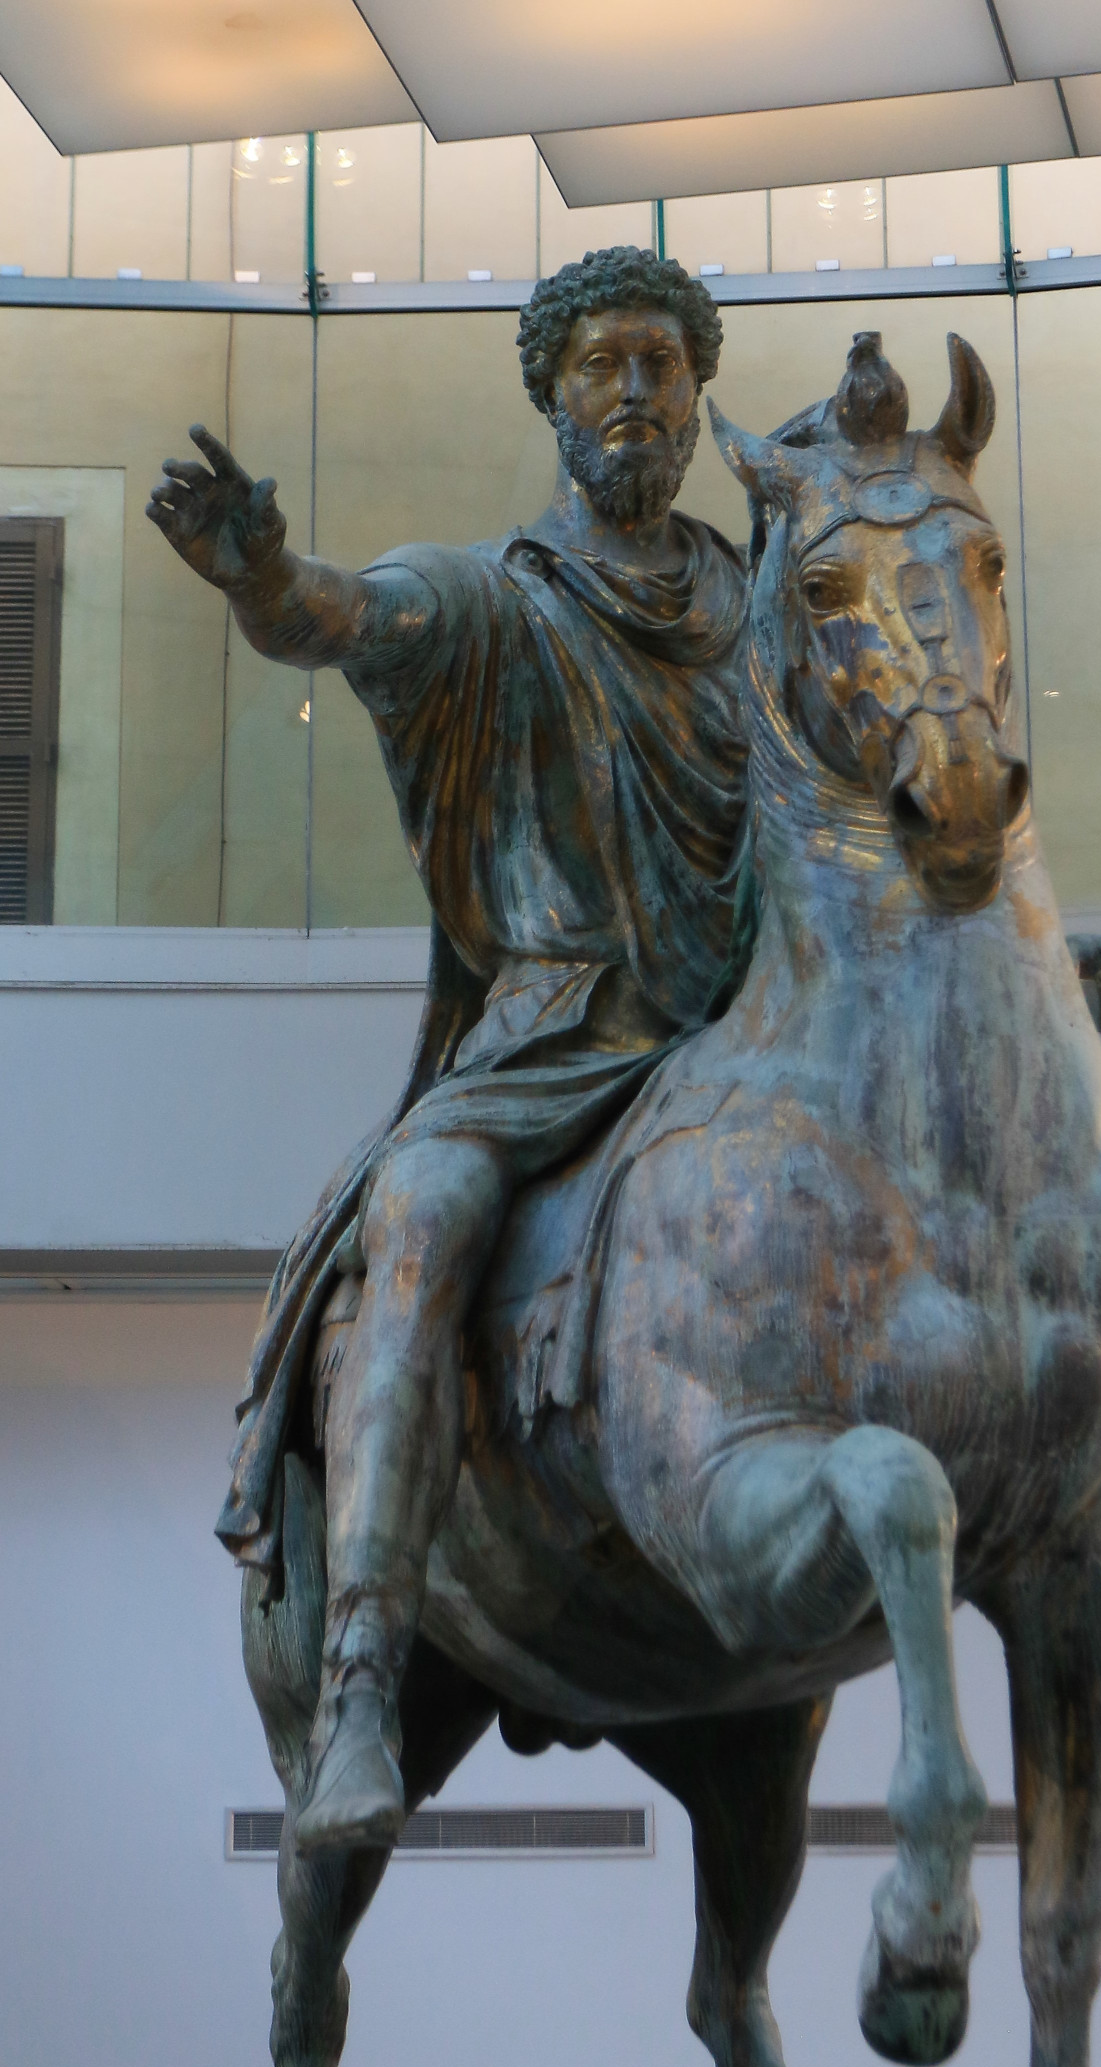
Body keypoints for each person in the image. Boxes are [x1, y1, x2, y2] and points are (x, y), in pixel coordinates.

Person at [147, 247, 750, 1856]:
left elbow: (884, 821)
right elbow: (342, 617)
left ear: (700, 398)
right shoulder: (491, 604)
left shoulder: (775, 620)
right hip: (562, 1031)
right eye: (605, 362)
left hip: (749, 1033)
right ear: (552, 396)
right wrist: (262, 573)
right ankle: (361, 1668)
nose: (637, 389)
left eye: (664, 364)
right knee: (417, 1217)